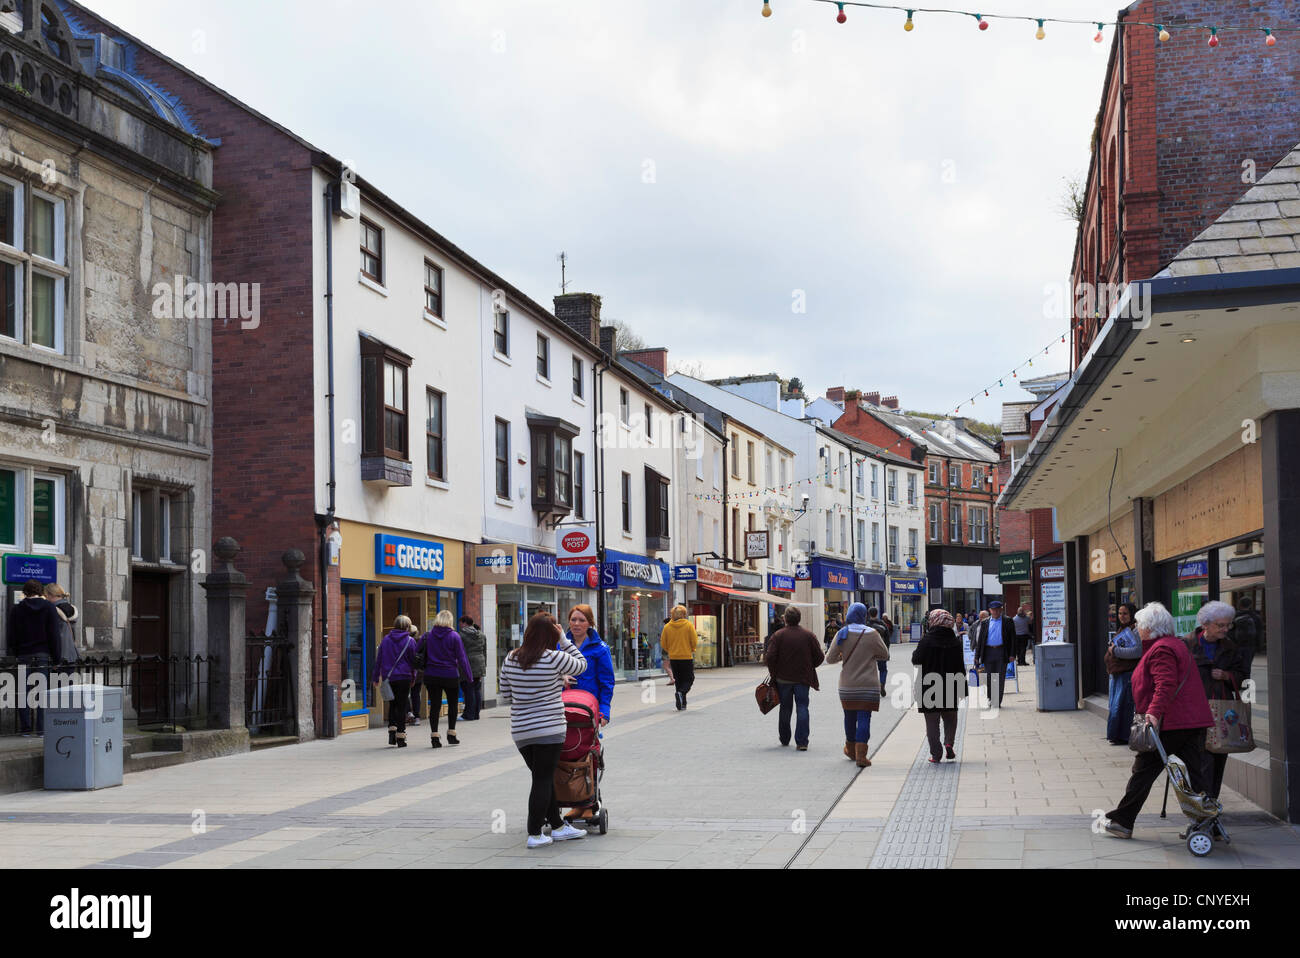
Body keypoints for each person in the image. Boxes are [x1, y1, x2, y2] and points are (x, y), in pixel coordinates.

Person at [1103, 601, 1213, 839]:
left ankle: (1123, 821)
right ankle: (1207, 823)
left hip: (1170, 723)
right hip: (1188, 721)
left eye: (1140, 625)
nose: (1138, 629)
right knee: (1193, 773)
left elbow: (1165, 684)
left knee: (1143, 769)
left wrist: (1152, 713)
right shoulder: (1174, 644)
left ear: (1150, 628)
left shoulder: (1161, 649)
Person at [498, 613, 589, 848]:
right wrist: (563, 638)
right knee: (542, 779)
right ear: (551, 633)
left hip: (521, 731)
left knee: (543, 777)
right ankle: (535, 832)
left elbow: (506, 695)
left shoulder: (510, 658)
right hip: (550, 728)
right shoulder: (555, 658)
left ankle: (557, 826)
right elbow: (582, 664)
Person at [1187, 601, 1247, 802]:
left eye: (1228, 625)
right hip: (1196, 711)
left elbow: (1244, 678)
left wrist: (1227, 676)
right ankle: (1201, 804)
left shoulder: (1231, 648)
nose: (1225, 629)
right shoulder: (1187, 645)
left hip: (1222, 712)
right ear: (1205, 624)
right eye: (1220, 625)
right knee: (1200, 759)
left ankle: (1211, 802)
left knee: (1219, 757)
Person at [826, 602, 889, 767]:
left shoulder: (842, 633)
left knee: (849, 717)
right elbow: (885, 655)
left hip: (847, 685)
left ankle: (851, 750)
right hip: (868, 685)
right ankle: (862, 756)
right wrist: (870, 655)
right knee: (864, 718)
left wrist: (843, 656)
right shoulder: (873, 634)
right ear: (864, 616)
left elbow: (829, 659)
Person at [764, 607, 824, 750]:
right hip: (803, 679)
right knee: (802, 707)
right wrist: (809, 666)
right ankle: (802, 741)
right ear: (799, 618)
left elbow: (770, 657)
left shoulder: (778, 635)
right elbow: (820, 657)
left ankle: (785, 738)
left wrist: (774, 673)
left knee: (785, 708)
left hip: (783, 679)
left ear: (785, 619)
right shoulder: (808, 635)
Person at [912, 609, 967, 763]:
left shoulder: (926, 640)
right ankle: (949, 743)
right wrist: (962, 688)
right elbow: (960, 666)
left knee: (932, 722)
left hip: (929, 685)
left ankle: (936, 754)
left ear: (934, 621)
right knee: (950, 717)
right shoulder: (955, 641)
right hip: (951, 683)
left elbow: (916, 660)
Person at [7, 580, 61, 735]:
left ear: (25, 592)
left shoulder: (17, 609)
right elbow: (54, 636)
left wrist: (18, 653)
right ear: (41, 591)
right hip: (43, 655)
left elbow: (12, 636)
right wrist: (56, 659)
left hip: (24, 655)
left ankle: (25, 728)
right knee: (42, 693)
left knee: (23, 693)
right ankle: (41, 729)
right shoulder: (49, 607)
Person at [419, 610, 474, 748]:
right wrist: (469, 676)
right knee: (452, 705)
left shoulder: (428, 636)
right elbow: (462, 658)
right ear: (450, 620)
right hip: (450, 675)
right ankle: (451, 734)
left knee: (435, 706)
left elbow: (417, 651)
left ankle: (435, 737)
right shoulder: (454, 636)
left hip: (431, 675)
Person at [560, 605, 614, 726]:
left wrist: (604, 710)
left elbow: (607, 682)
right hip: (562, 707)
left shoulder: (601, 649)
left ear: (590, 623)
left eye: (582, 620)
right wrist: (561, 677)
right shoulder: (560, 646)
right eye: (573, 620)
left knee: (585, 743)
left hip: (588, 708)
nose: (576, 623)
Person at [372, 615, 419, 747]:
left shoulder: (386, 640)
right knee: (402, 705)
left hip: (389, 677)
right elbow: (413, 662)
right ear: (407, 627)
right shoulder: (410, 641)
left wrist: (376, 677)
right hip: (404, 677)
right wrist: (413, 677)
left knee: (392, 704)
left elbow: (379, 660)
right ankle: (401, 736)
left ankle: (392, 733)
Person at [1105, 603, 1141, 745]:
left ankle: (1123, 735)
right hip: (1116, 674)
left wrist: (1115, 651)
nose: (1122, 616)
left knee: (1123, 706)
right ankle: (1115, 735)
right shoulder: (1122, 629)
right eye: (1119, 613)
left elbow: (1137, 651)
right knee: (1115, 706)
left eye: (1125, 613)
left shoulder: (1136, 630)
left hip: (1127, 674)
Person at [972, 600, 1010, 709]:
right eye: (994, 610)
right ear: (990, 611)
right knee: (989, 677)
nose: (996, 612)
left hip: (1001, 651)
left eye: (998, 610)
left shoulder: (1007, 621)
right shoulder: (985, 623)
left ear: (1001, 610)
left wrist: (1012, 654)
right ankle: (990, 699)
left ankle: (997, 701)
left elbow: (1012, 638)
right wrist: (976, 656)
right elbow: (980, 641)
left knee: (999, 677)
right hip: (988, 652)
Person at [661, 606, 699, 710]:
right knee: (689, 678)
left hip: (673, 657)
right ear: (684, 614)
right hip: (686, 656)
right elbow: (694, 641)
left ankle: (682, 703)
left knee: (679, 680)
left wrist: (671, 650)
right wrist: (692, 649)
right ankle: (681, 693)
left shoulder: (667, 627)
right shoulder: (689, 625)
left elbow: (663, 643)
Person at [458, 616, 487, 721]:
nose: (459, 625)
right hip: (480, 664)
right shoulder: (481, 635)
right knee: (476, 689)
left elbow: (459, 652)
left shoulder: (461, 635)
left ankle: (468, 715)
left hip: (467, 665)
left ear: (465, 623)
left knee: (468, 690)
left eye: (460, 623)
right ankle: (476, 714)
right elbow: (484, 652)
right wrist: (484, 667)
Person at [1231, 597, 1263, 682]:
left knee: (1235, 664)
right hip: (1250, 645)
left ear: (1239, 605)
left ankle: (1236, 682)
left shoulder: (1233, 616)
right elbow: (1259, 633)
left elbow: (1229, 631)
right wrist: (1259, 646)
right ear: (1250, 605)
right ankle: (1246, 683)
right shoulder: (1255, 616)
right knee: (1247, 665)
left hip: (1236, 644)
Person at [866, 606, 892, 691]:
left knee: (870, 670)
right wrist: (887, 650)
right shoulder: (882, 624)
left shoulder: (866, 624)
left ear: (869, 614)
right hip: (881, 649)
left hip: (869, 651)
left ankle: (872, 687)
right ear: (877, 613)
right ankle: (882, 683)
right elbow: (887, 639)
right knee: (883, 669)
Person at [406, 623, 423, 727]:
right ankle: (417, 717)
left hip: (407, 672)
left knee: (405, 694)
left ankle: (408, 712)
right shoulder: (421, 641)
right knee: (416, 694)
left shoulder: (407, 641)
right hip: (419, 672)